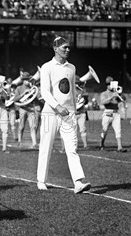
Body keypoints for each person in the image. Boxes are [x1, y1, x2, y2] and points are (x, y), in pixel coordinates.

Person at [36, 36, 90, 194]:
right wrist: (57, 106)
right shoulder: (47, 67)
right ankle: (41, 180)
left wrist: (73, 108)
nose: (67, 50)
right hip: (49, 113)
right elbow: (44, 92)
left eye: (68, 47)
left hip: (69, 114)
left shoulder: (72, 68)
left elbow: (72, 91)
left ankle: (78, 182)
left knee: (72, 148)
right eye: (64, 47)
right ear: (55, 48)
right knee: (46, 147)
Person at [99, 76, 127, 152]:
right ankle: (101, 144)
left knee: (118, 130)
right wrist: (112, 96)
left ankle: (120, 147)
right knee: (104, 130)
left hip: (116, 113)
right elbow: (103, 102)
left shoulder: (116, 93)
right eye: (109, 84)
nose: (110, 86)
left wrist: (120, 95)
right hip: (107, 112)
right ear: (107, 85)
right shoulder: (104, 93)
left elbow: (123, 100)